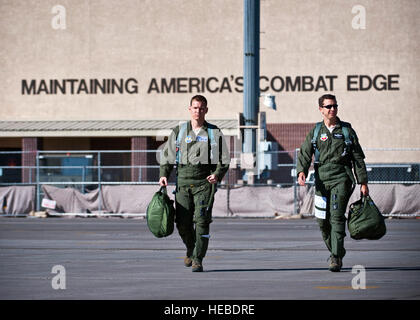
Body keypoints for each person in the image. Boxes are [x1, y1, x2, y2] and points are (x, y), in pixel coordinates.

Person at [296, 94, 369, 272]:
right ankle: (337, 250)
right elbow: (305, 153)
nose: (332, 109)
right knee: (322, 220)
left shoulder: (346, 131)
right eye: (328, 106)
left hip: (341, 178)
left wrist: (363, 182)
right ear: (321, 109)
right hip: (321, 180)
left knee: (336, 217)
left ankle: (335, 257)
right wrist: (301, 171)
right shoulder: (316, 132)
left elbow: (358, 159)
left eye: (335, 106)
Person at [159, 95, 230, 272]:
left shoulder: (214, 132)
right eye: (195, 107)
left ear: (206, 110)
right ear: (189, 109)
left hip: (204, 184)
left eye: (201, 108)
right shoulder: (179, 131)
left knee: (202, 221)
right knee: (182, 223)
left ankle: (198, 259)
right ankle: (191, 249)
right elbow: (167, 156)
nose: (198, 111)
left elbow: (224, 158)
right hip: (182, 183)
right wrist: (163, 175)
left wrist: (217, 174)